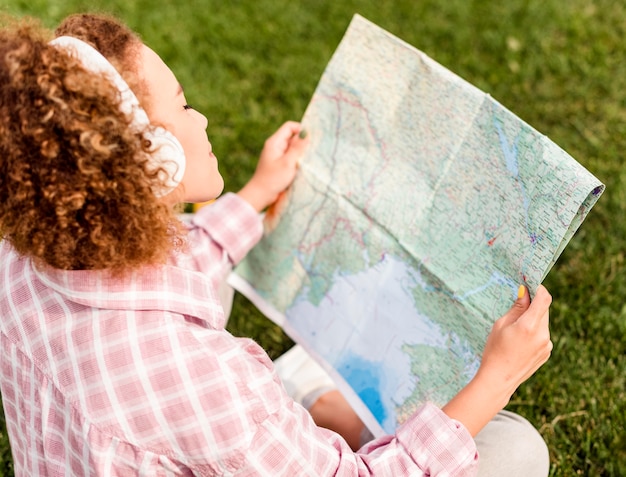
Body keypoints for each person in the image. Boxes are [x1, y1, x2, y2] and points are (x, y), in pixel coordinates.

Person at [0, 12, 553, 476]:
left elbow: (154, 277)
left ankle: (305, 412)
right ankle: (307, 410)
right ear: (154, 161)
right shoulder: (203, 380)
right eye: (184, 105)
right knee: (515, 449)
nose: (203, 117)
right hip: (216, 413)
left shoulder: (27, 252)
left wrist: (254, 197)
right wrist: (496, 376)